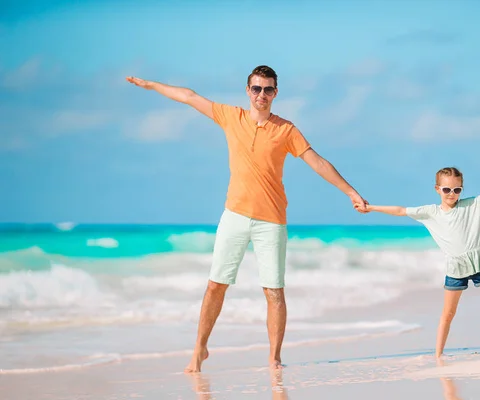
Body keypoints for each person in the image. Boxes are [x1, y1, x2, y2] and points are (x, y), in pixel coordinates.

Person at [126, 65, 368, 372]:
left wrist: (351, 192)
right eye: (256, 88)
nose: (262, 95)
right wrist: (149, 84)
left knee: (274, 291)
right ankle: (199, 350)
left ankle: (274, 358)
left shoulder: (286, 130)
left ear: (275, 93)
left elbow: (317, 162)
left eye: (268, 89)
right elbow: (188, 96)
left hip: (271, 220)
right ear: (248, 91)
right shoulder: (231, 117)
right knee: (216, 285)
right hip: (235, 216)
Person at [356, 166, 480, 358]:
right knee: (448, 314)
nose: (452, 194)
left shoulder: (473, 205)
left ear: (462, 189)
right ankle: (438, 355)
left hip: (479, 265)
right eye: (447, 189)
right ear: (437, 189)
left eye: (457, 190)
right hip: (455, 269)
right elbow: (400, 211)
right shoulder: (430, 212)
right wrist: (371, 208)